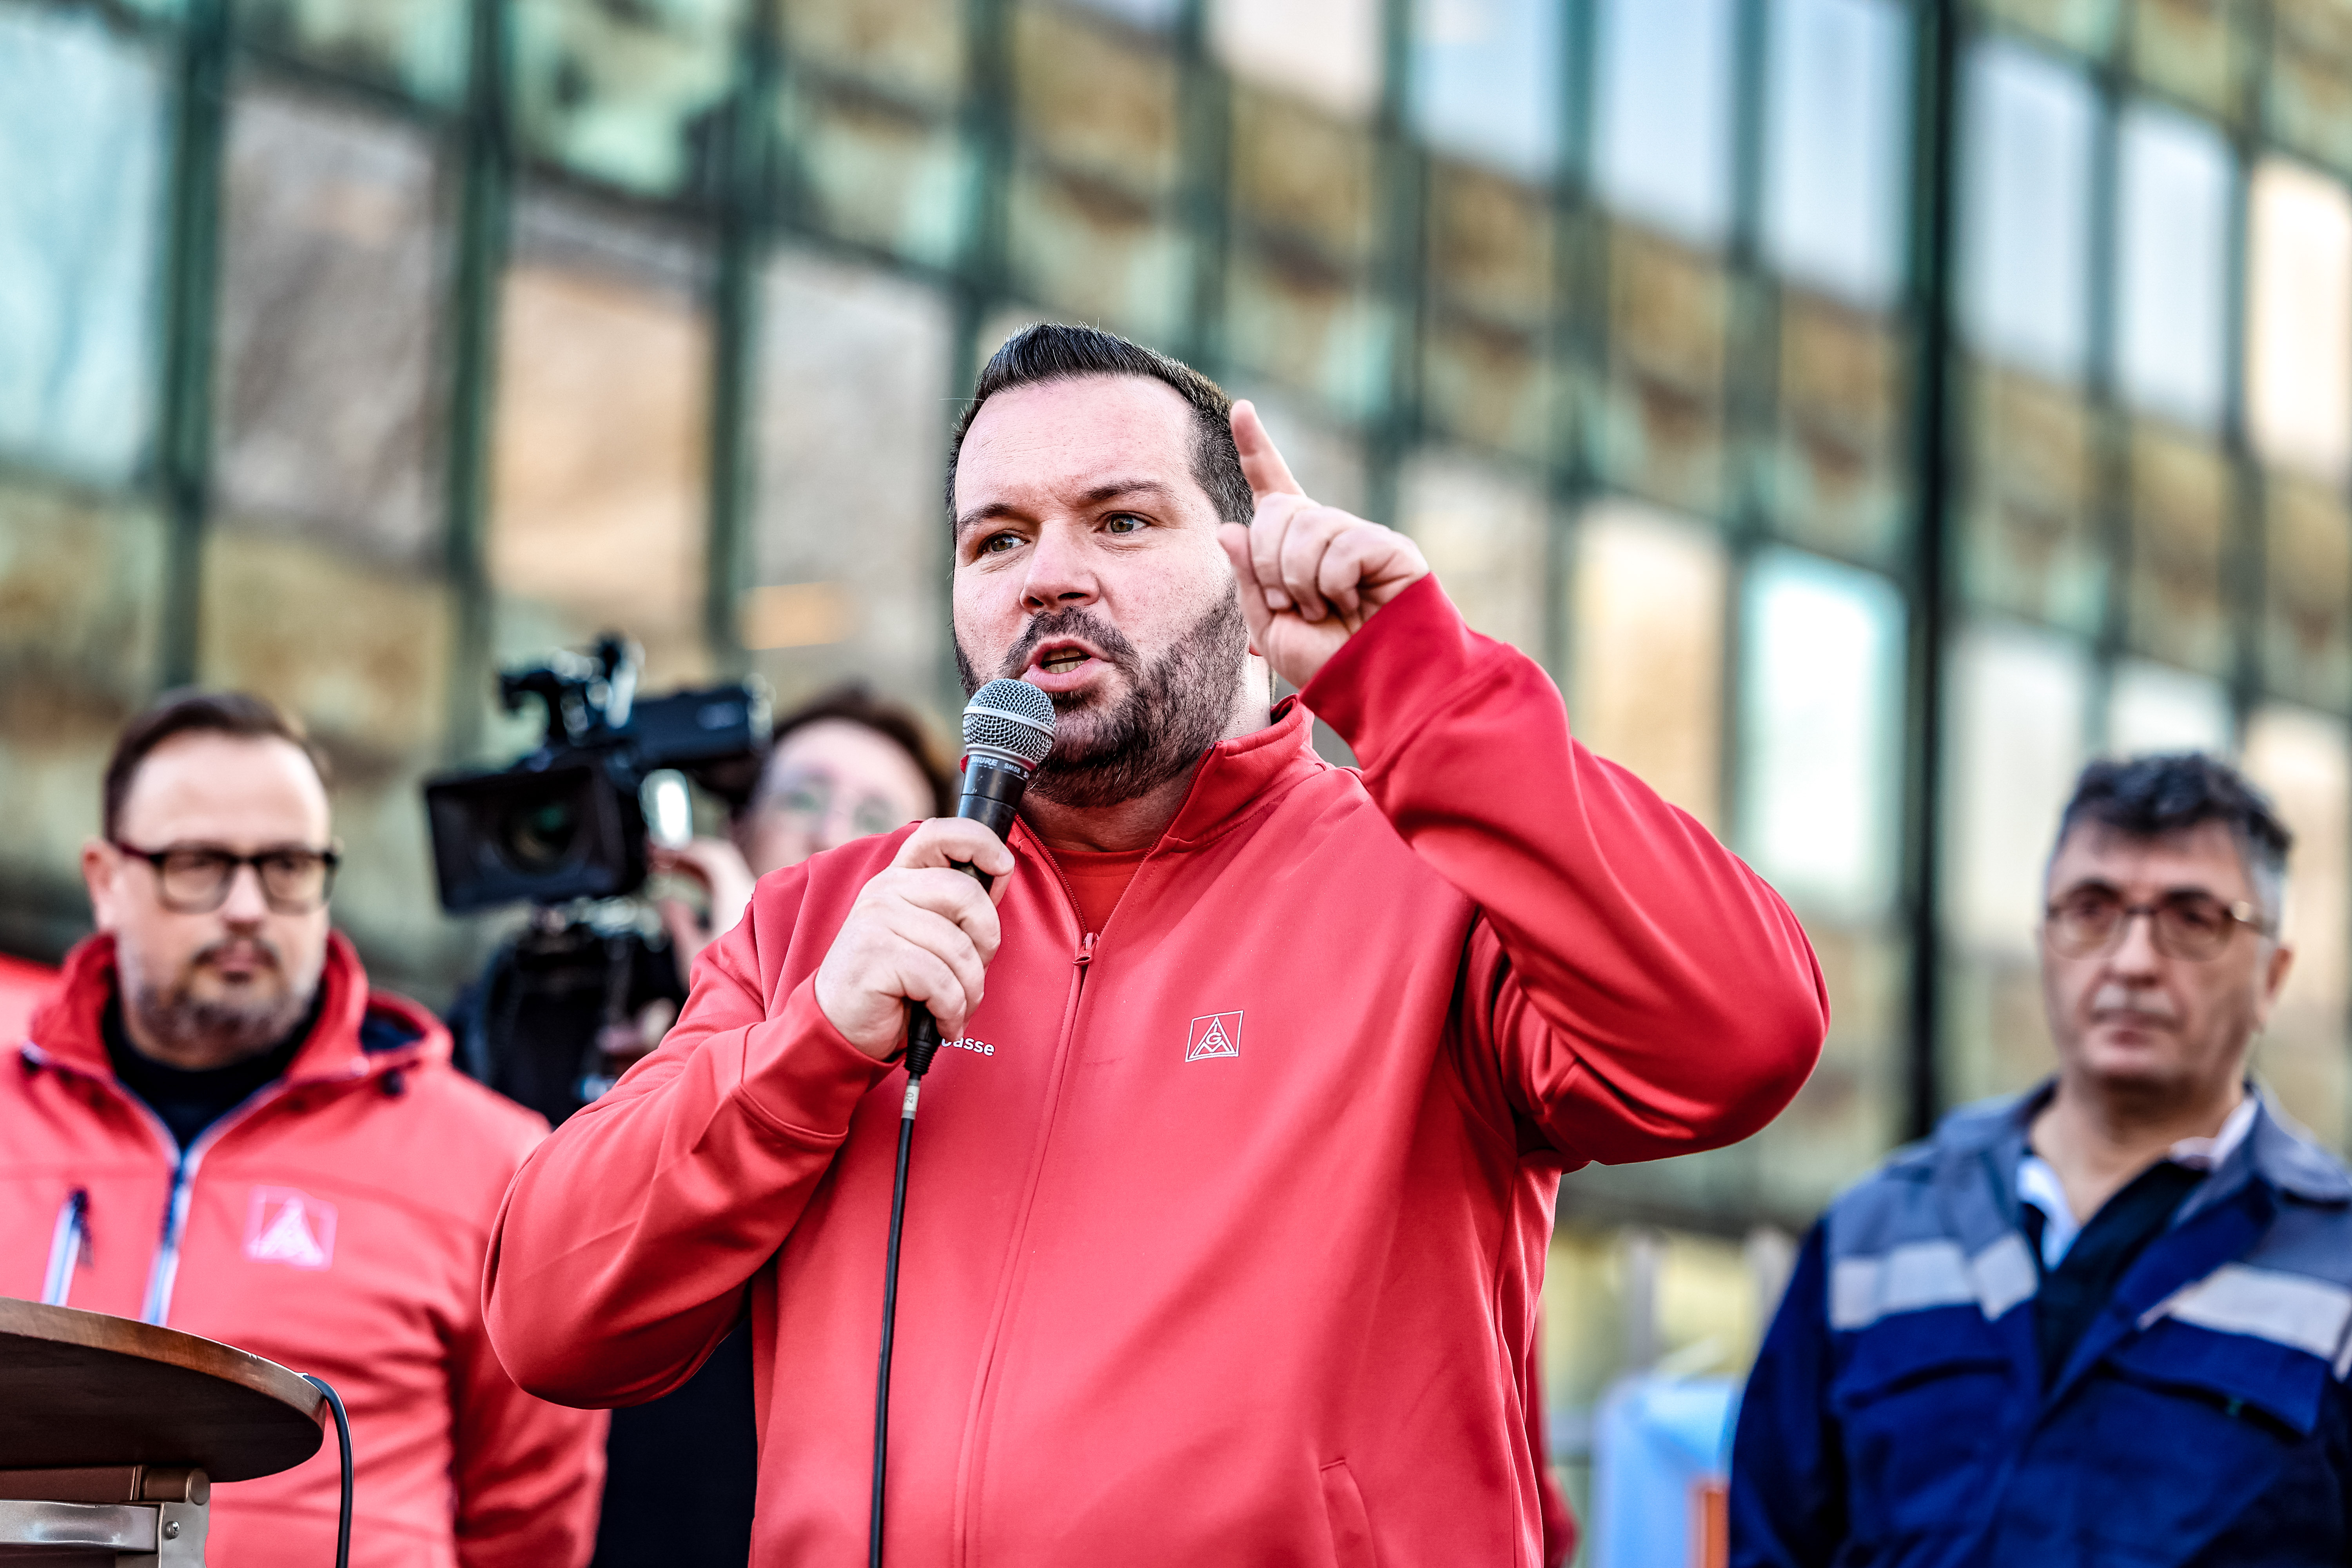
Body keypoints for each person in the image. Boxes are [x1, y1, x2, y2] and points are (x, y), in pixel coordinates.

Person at [483, 323, 1828, 1564]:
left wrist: (1416, 680)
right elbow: (551, 1317)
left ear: (1251, 573)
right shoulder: (823, 930)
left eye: (1120, 519)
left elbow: (1742, 1037)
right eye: (996, 539)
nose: (1050, 572)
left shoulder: (1435, 884)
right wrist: (812, 1048)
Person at [0, 691, 605, 1568]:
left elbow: (529, 1527)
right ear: (106, 880)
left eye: (287, 865)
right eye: (199, 862)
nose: (248, 906)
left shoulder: (496, 1165)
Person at [1731, 753, 2352, 1567]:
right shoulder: (1874, 1235)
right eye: (2091, 909)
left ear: (2273, 975)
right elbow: (1771, 1541)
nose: (2132, 960)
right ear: (2044, 942)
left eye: (2193, 917)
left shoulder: (2337, 1265)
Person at [593, 686, 951, 1568]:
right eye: (800, 797)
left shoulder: (946, 1060)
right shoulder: (597, 995)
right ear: (735, 830)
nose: (830, 830)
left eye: (875, 819)